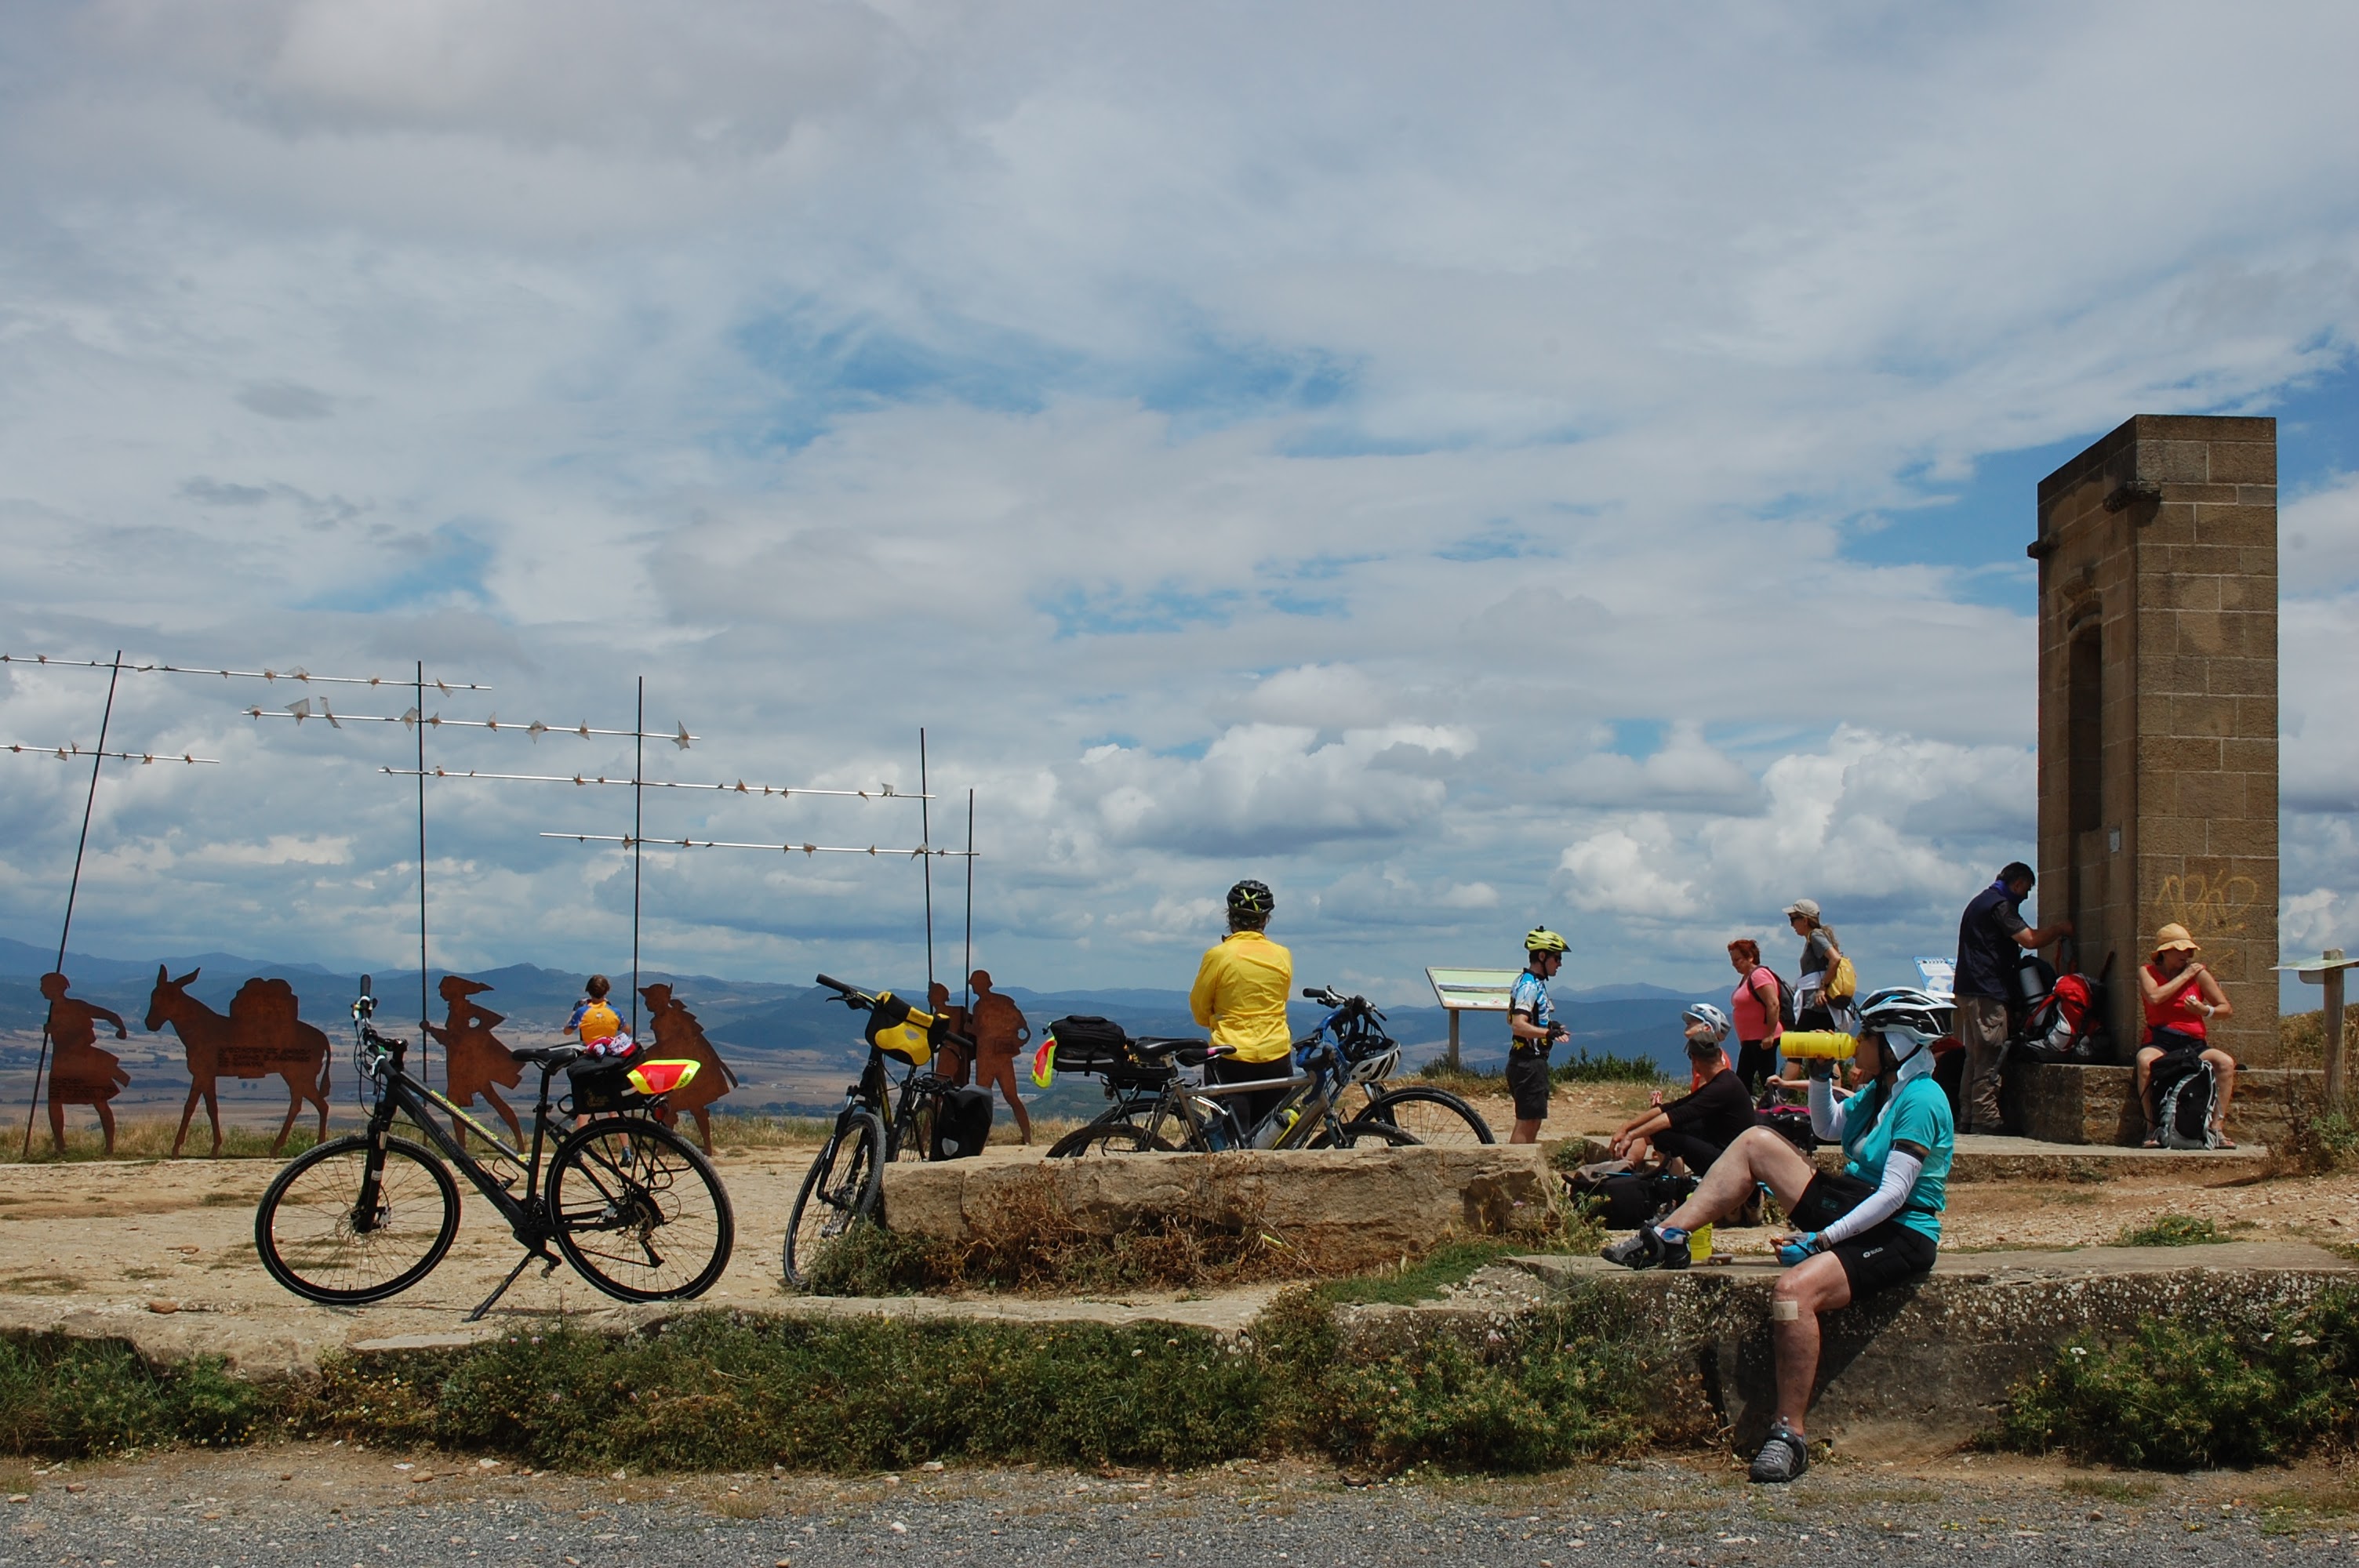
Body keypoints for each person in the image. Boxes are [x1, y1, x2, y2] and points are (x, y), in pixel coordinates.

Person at [1602, 987, 1955, 1483]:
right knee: (1754, 1143)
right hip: (1856, 1202)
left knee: (1792, 1293)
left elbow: (1895, 1194)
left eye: (1869, 1035)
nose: (1858, 1042)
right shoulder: (1883, 1089)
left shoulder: (1922, 1100)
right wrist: (1816, 1074)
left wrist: (1823, 1241)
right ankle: (1669, 1235)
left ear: (1897, 1042)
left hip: (1898, 1230)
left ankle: (1789, 1434)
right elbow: (1830, 1129)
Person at [1952, 862, 2072, 1134]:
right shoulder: (2000, 906)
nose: (2026, 896)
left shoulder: (1979, 902)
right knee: (1990, 1054)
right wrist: (2059, 930)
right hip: (1987, 991)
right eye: (2026, 889)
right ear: (2017, 883)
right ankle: (1986, 1117)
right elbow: (2029, 939)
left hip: (1968, 989)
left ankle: (1968, 1116)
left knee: (1974, 1055)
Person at [1189, 880, 1296, 1133]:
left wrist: (1217, 1020)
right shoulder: (1283, 954)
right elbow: (1282, 998)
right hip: (1277, 1057)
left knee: (1234, 1140)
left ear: (1230, 917)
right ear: (1266, 920)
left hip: (1230, 1058)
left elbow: (1199, 1009)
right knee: (1271, 1137)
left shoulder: (1218, 955)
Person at [1609, 1004, 1754, 1174]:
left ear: (1695, 1060)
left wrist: (1631, 1135)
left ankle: (1676, 1186)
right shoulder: (1724, 1078)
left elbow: (1674, 1116)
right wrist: (1627, 1127)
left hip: (1731, 1160)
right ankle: (1672, 1181)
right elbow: (1671, 1107)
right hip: (1725, 1144)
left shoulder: (1722, 1087)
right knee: (1661, 1131)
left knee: (1662, 1134)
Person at [2134, 924, 2237, 1148]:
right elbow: (2154, 997)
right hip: (2161, 1040)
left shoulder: (2199, 975)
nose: (2188, 955)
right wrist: (2186, 975)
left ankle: (2216, 1128)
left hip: (2194, 1043)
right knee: (2145, 1061)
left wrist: (2204, 1011)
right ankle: (2152, 1129)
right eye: (2181, 950)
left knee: (2225, 1063)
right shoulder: (2147, 971)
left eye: (2189, 951)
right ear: (2165, 951)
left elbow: (2225, 1009)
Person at [1505, 927, 1571, 1144]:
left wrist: (1550, 1025)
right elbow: (1518, 1025)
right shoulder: (1529, 986)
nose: (1560, 964)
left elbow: (1530, 1019)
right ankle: (1515, 1169)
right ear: (1542, 956)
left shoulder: (1533, 983)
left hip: (1530, 1062)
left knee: (1532, 1121)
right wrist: (1547, 1033)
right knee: (1527, 1122)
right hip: (1527, 1063)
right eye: (1557, 958)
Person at [966, 969, 1034, 1145]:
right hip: (1002, 1056)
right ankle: (1027, 1137)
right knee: (1011, 1096)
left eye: (974, 984)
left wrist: (967, 1027)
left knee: (983, 1098)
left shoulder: (979, 1006)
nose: (972, 988)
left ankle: (979, 1138)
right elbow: (1024, 1027)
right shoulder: (1004, 1002)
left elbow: (979, 1031)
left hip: (988, 1057)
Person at [1725, 939, 1786, 1101]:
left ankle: (1773, 1108)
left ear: (1750, 957)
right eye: (1733, 961)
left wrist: (1770, 1035)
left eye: (1738, 960)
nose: (1734, 964)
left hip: (1762, 1037)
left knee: (1764, 1077)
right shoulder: (1747, 978)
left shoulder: (1759, 975)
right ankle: (1751, 1109)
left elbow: (1773, 1003)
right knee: (1745, 1078)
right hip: (1752, 1039)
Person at [1784, 899, 1853, 1033]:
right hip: (1820, 1006)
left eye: (1793, 919)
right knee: (1818, 1051)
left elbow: (1835, 958)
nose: (1792, 925)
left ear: (1805, 920)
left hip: (1816, 1005)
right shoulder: (1815, 937)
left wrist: (1822, 988)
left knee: (1798, 1048)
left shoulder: (1815, 936)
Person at [564, 975, 631, 1055]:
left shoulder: (582, 1011)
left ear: (588, 991)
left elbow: (567, 1031)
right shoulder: (615, 1012)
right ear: (607, 991)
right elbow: (627, 1031)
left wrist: (574, 1012)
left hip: (588, 1055)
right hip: (609, 1056)